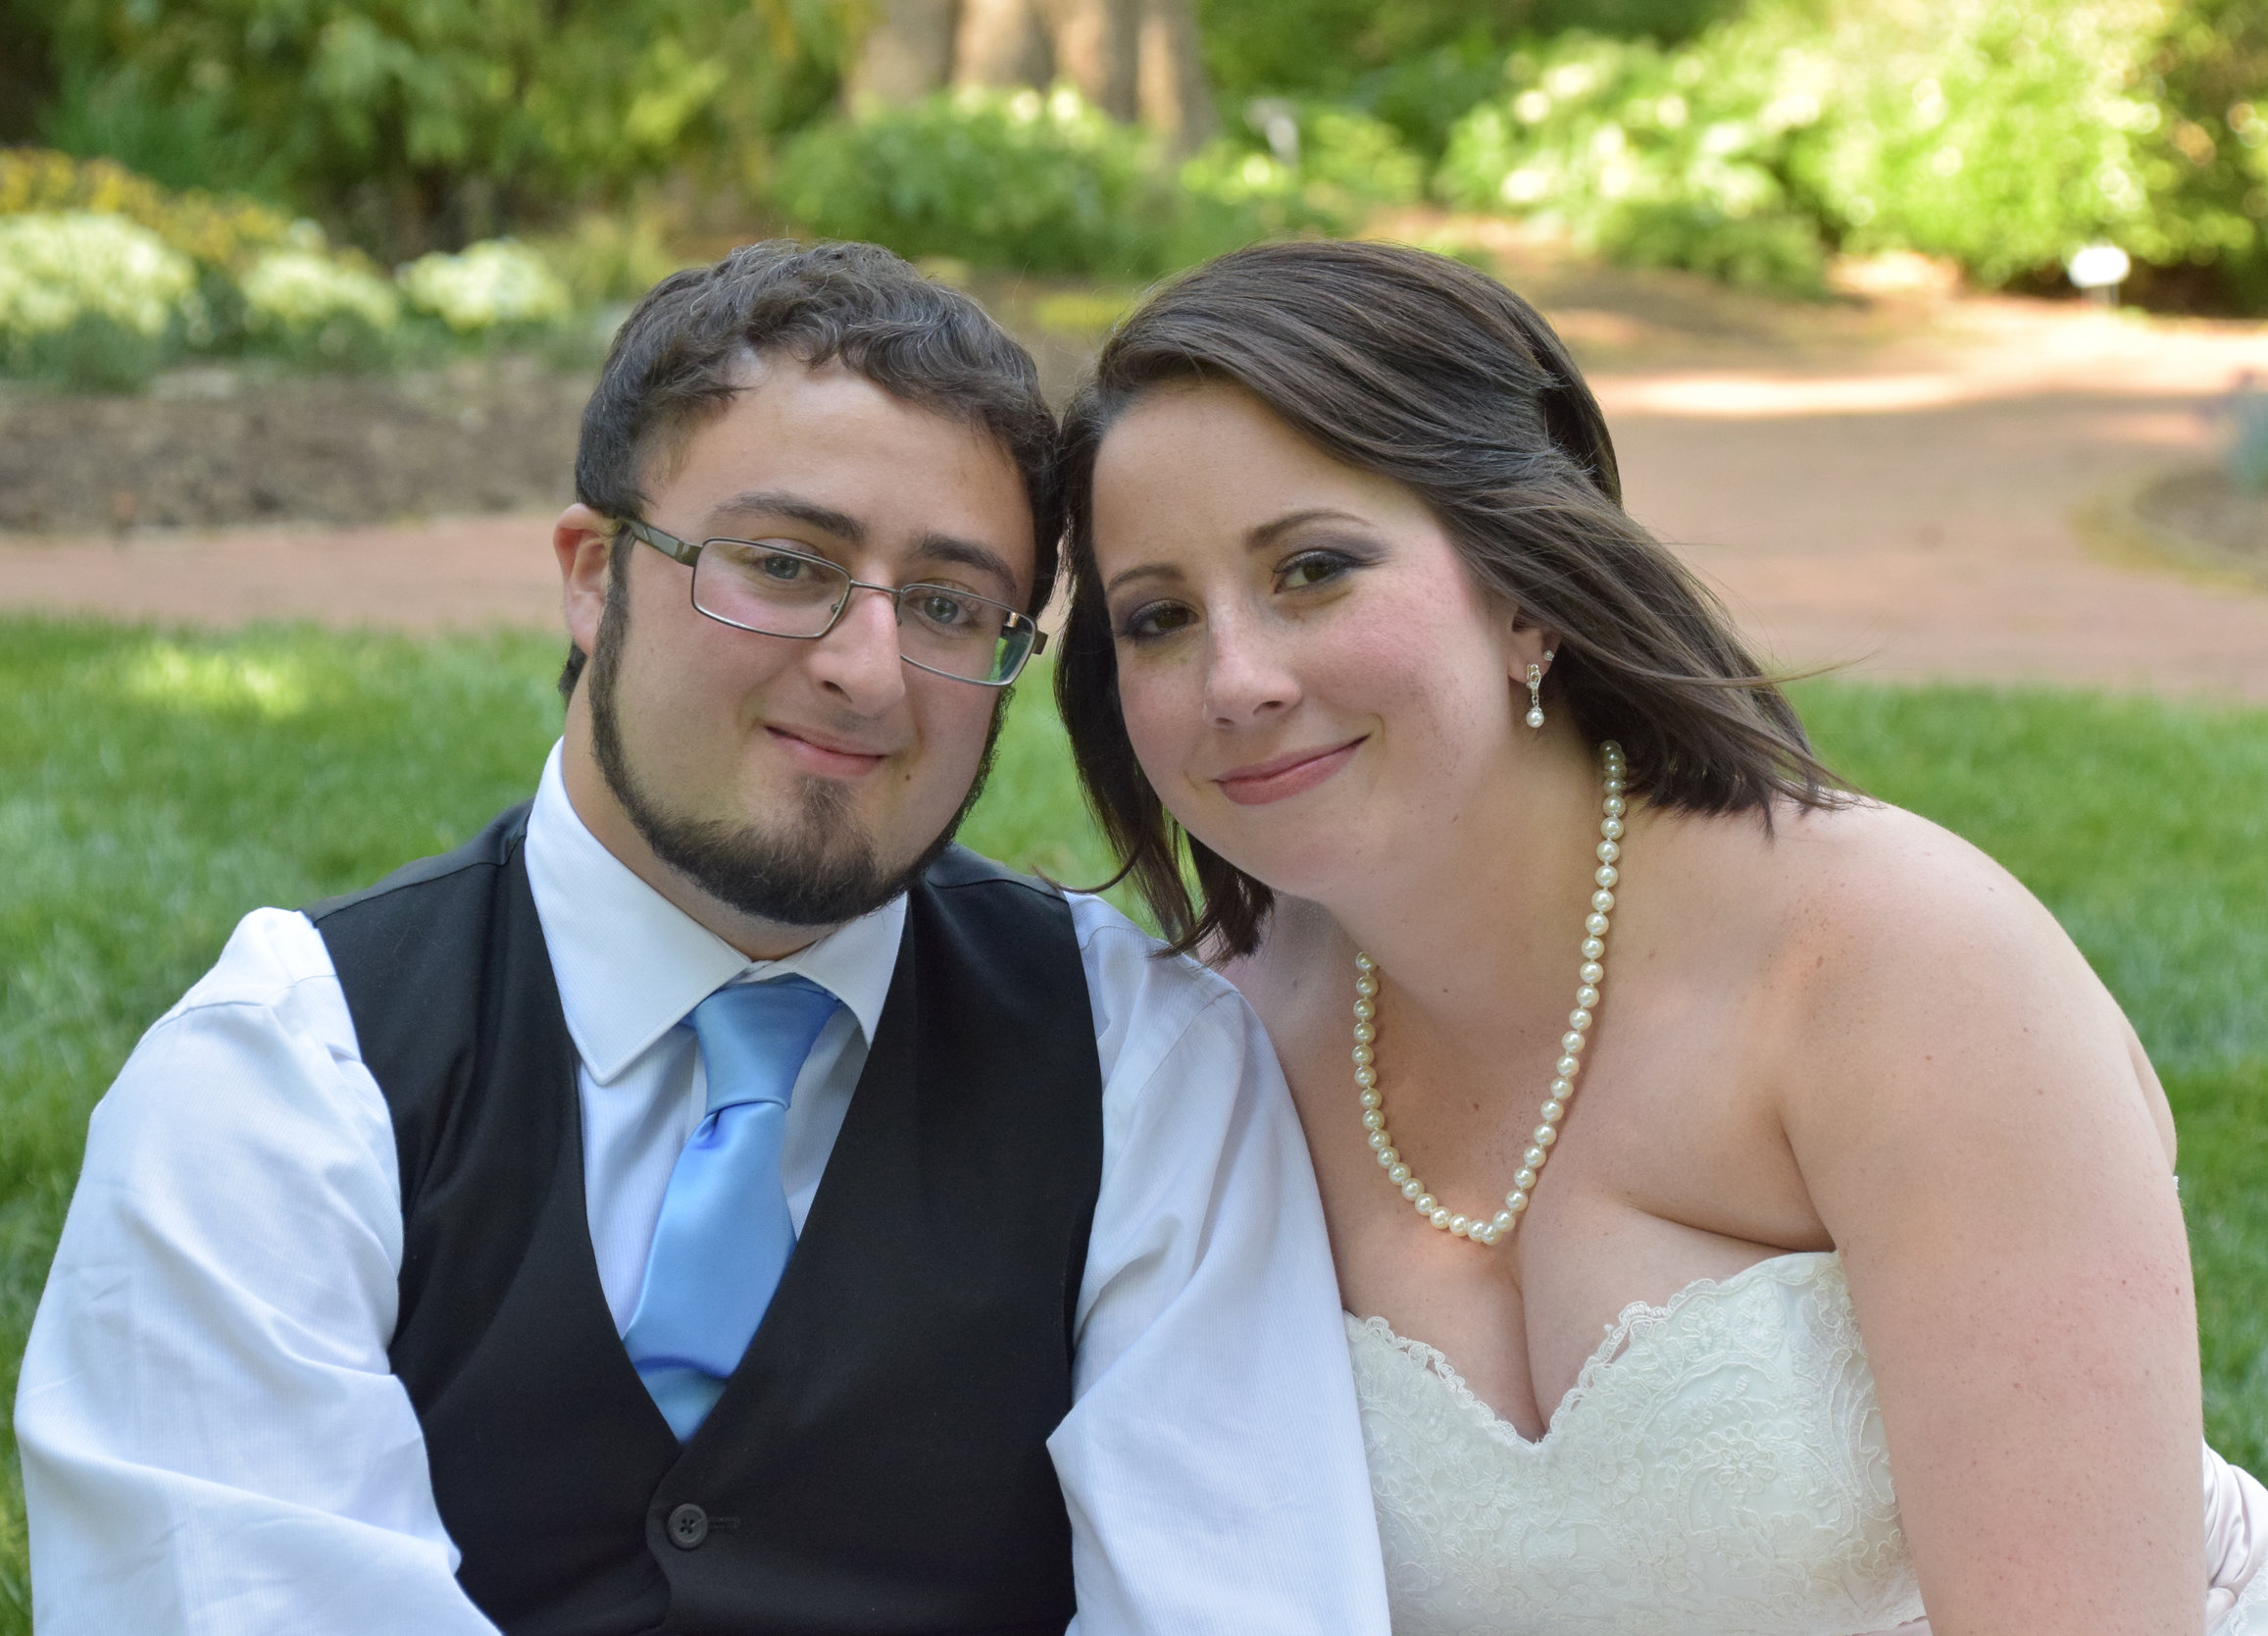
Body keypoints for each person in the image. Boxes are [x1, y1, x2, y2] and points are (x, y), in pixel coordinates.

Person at [1050, 239, 2268, 1635]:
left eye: (1311, 571)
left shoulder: (1892, 965)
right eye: (1159, 619)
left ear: (1523, 588)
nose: (1234, 677)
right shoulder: (1216, 1049)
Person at [13, 240, 1391, 1635]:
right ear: (593, 573)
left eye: (947, 606)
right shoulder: (276, 1082)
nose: (864, 669)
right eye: (785, 565)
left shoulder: (1146, 1070)